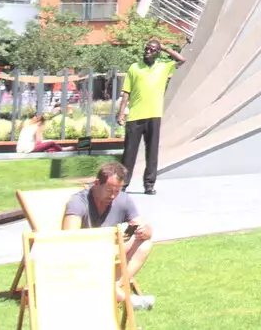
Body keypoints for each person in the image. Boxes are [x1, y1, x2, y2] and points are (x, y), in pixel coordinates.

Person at [63, 162, 154, 310]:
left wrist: (145, 230)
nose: (112, 195)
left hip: (109, 254)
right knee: (107, 250)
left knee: (145, 244)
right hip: (83, 257)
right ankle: (125, 299)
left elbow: (145, 228)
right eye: (109, 190)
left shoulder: (123, 200)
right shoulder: (78, 202)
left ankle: (112, 288)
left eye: (117, 190)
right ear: (97, 183)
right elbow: (69, 238)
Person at [118, 37, 187, 196]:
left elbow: (182, 60)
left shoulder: (164, 67)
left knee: (152, 153)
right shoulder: (134, 68)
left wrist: (164, 48)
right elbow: (126, 92)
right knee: (129, 152)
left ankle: (149, 185)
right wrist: (121, 112)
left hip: (154, 115)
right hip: (135, 116)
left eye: (151, 50)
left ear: (157, 53)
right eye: (146, 49)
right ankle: (123, 184)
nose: (147, 52)